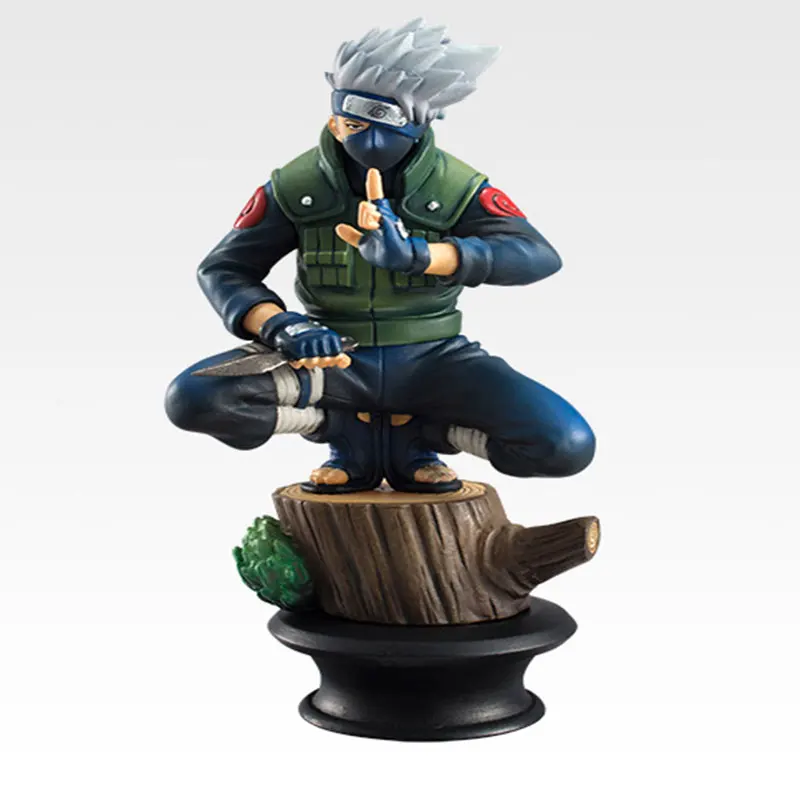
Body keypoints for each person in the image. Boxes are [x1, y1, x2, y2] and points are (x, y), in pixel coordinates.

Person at [165, 18, 595, 493]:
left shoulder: (455, 186)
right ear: (335, 120)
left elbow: (536, 255)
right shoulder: (297, 187)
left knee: (564, 444)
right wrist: (282, 327)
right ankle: (337, 427)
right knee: (196, 397)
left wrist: (423, 256)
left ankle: (429, 431)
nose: (369, 142)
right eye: (354, 124)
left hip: (435, 361)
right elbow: (224, 268)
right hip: (333, 362)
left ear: (422, 120)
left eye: (388, 125)